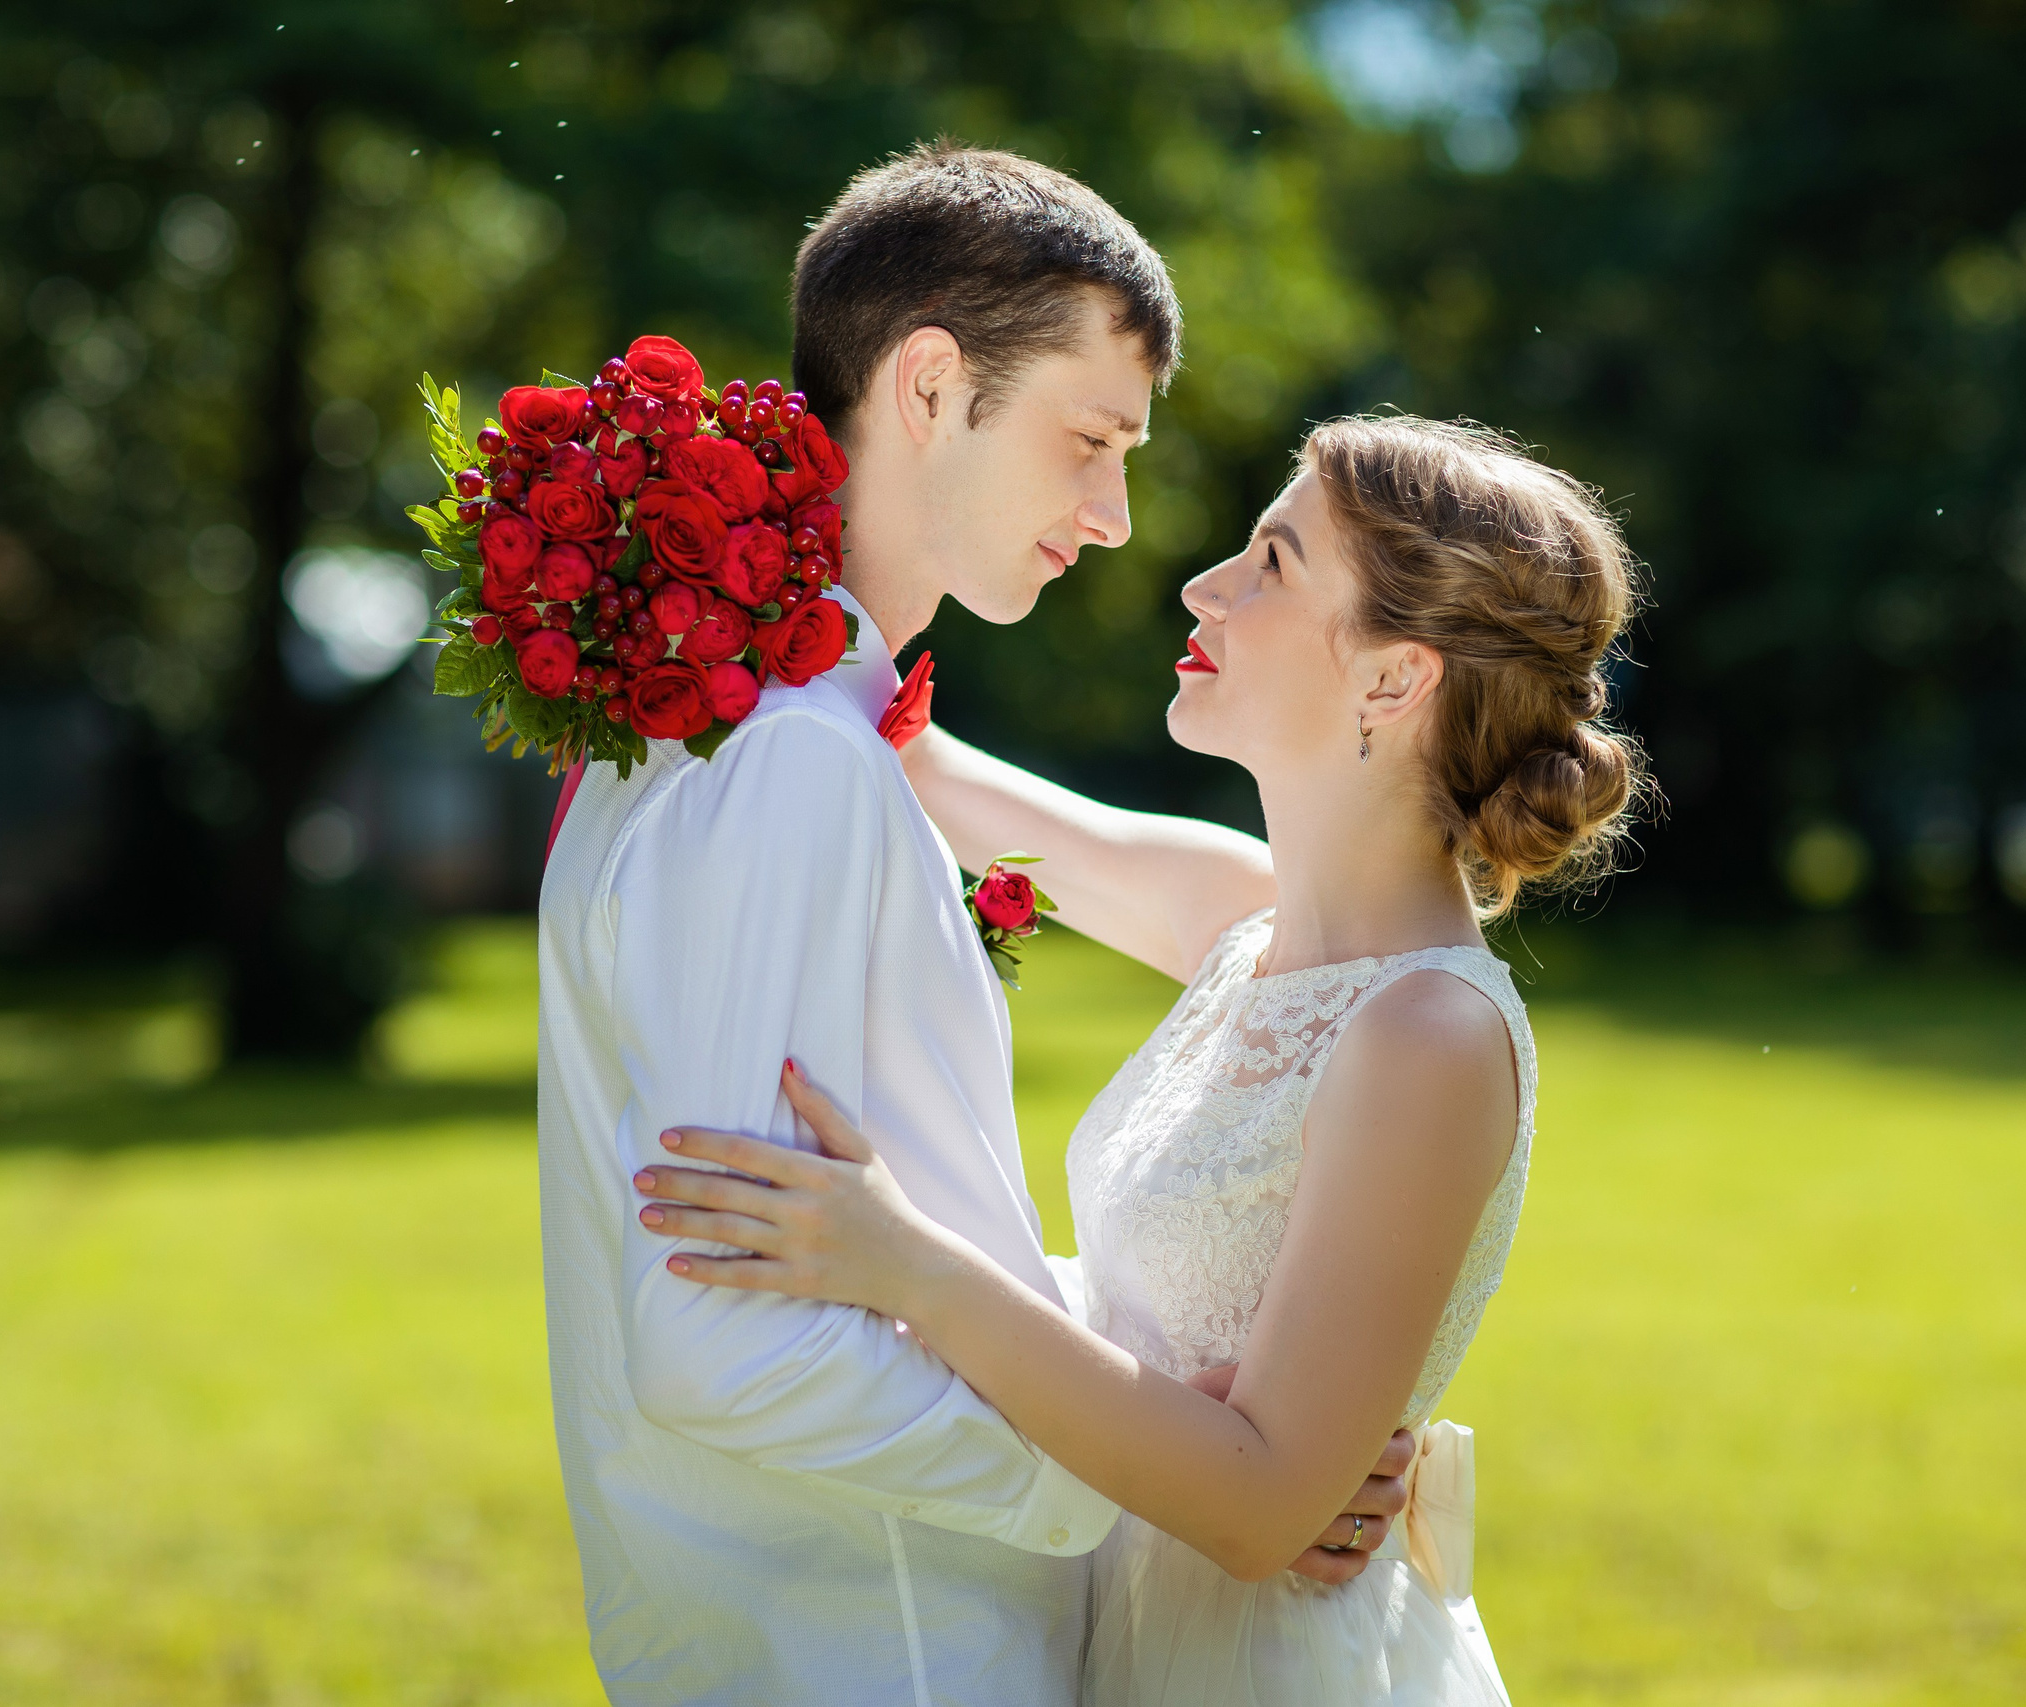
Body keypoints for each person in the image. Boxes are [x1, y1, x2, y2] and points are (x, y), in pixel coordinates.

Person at [537, 144, 1416, 1707]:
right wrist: (1150, 1489)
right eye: (1090, 441)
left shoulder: (734, 728)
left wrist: (1226, 1430)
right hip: (887, 1650)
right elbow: (717, 1345)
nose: (1119, 517)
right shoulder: (790, 765)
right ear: (931, 386)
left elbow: (887, 1233)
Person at [637, 413, 1647, 1704]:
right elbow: (915, 762)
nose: (1201, 585)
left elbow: (1260, 1509)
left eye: (1273, 564)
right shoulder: (1235, 915)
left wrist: (908, 1264)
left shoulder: (1431, 1037)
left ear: (1394, 681)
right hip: (1114, 1631)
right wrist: (709, 548)